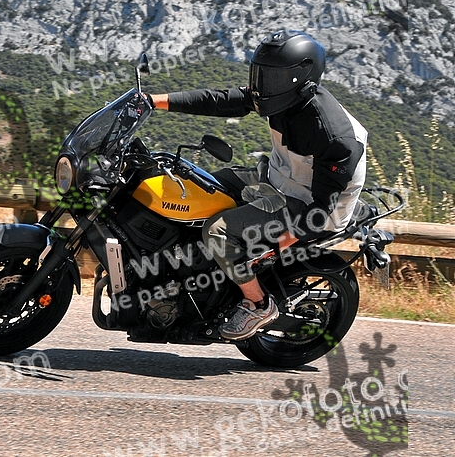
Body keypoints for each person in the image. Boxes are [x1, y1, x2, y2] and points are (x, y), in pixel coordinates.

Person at [145, 30, 367, 340]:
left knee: (217, 231)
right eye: (262, 75)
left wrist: (275, 248)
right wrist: (153, 101)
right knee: (201, 187)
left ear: (300, 79)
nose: (262, 86)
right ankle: (189, 274)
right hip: (280, 176)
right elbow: (219, 101)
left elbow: (320, 211)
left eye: (274, 78)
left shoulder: (334, 137)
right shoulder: (284, 97)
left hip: (311, 205)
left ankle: (258, 303)